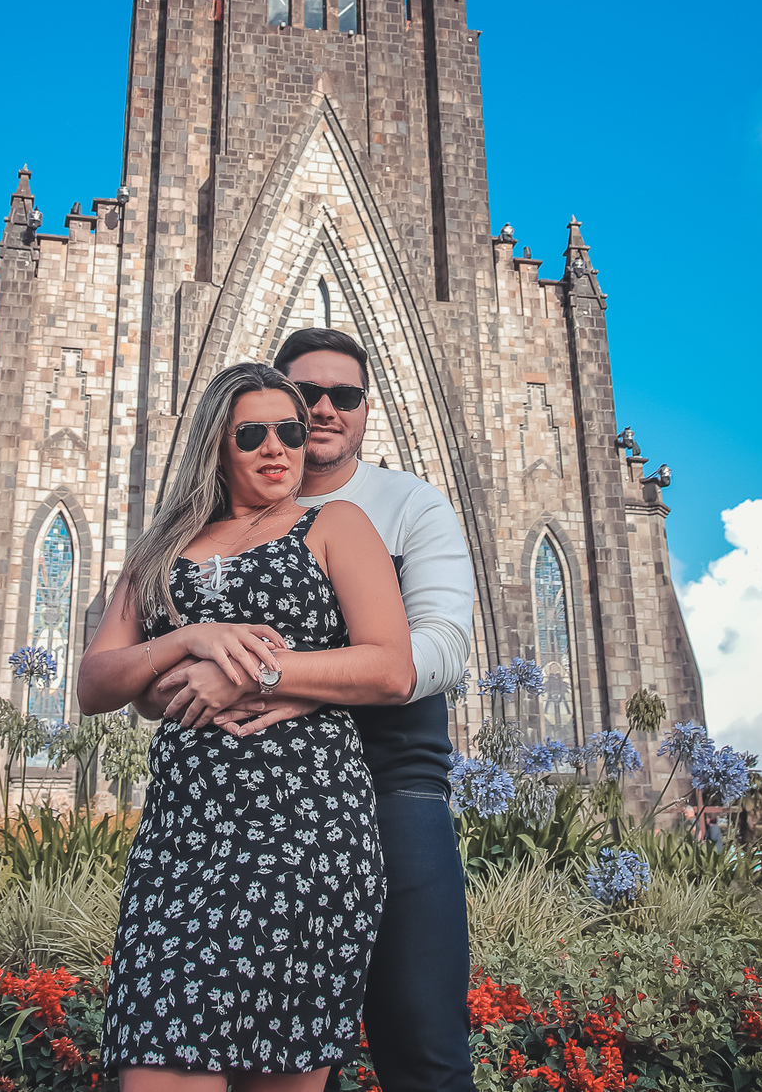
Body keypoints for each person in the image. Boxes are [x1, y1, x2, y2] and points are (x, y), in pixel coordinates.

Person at [149, 328, 476, 1092]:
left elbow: (437, 651)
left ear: (367, 410)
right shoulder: (203, 534)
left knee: (422, 1042)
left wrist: (268, 676)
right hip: (249, 807)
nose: (325, 410)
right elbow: (147, 671)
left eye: (346, 395)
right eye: (305, 398)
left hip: (393, 788)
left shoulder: (406, 505)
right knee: (271, 1048)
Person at [77, 361, 414, 1089]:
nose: (277, 447)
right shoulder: (161, 547)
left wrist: (255, 671)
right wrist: (188, 639)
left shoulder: (335, 524)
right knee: (155, 1062)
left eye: (290, 431)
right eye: (252, 433)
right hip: (183, 843)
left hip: (306, 837)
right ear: (217, 445)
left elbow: (391, 668)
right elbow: (96, 682)